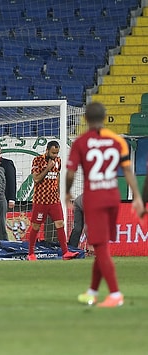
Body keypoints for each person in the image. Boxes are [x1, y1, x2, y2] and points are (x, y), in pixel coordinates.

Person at [67, 102, 144, 307]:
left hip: (95, 198)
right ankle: (92, 292)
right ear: (105, 117)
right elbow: (128, 170)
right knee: (101, 246)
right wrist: (136, 196)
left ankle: (115, 294)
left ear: (85, 119)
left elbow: (71, 172)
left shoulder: (81, 142)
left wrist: (66, 192)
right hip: (113, 197)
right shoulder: (117, 140)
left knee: (100, 247)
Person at [26, 140, 78, 261]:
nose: (55, 155)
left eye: (57, 153)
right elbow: (36, 179)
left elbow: (57, 177)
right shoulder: (37, 160)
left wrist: (59, 193)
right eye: (53, 152)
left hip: (54, 200)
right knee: (35, 226)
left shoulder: (58, 161)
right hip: (40, 200)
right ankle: (31, 253)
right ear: (47, 150)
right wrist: (47, 168)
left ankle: (65, 253)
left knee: (60, 224)